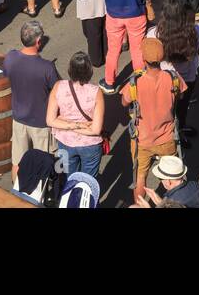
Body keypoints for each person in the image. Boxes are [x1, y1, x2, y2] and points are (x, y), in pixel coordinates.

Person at [121, 38, 184, 204]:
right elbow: (181, 94)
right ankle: (174, 205)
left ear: (144, 59)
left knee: (140, 176)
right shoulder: (173, 77)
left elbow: (124, 101)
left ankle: (140, 206)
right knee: (172, 174)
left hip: (143, 140)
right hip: (167, 137)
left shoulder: (136, 82)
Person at [4, 19, 59, 185]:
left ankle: (17, 192)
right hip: (41, 123)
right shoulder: (47, 67)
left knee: (18, 163)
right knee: (45, 163)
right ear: (38, 41)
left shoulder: (10, 58)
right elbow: (57, 91)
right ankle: (41, 195)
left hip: (19, 120)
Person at [47, 51, 106, 179]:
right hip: (90, 145)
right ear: (90, 70)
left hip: (64, 141)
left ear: (70, 69)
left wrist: (70, 125)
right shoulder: (96, 92)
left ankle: (67, 198)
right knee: (87, 183)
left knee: (67, 179)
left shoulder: (58, 86)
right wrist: (81, 125)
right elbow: (96, 129)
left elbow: (50, 121)